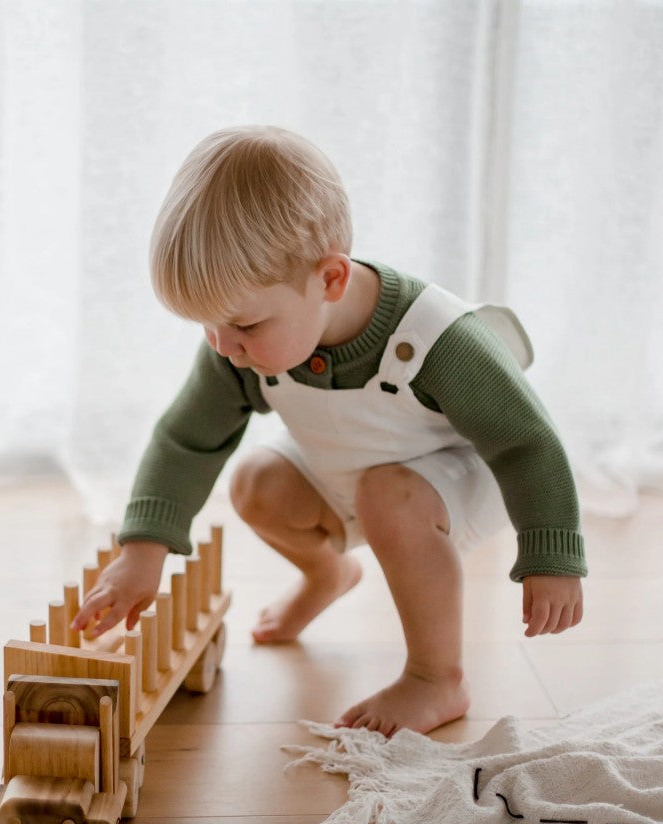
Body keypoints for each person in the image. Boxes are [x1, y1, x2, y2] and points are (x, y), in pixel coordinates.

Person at [71, 125, 586, 737]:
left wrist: (551, 551)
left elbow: (526, 440)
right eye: (208, 328)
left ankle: (436, 676)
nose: (225, 349)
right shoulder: (237, 343)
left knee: (386, 495)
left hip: (455, 482)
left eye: (243, 326)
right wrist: (143, 549)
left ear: (331, 280)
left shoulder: (440, 340)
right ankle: (328, 574)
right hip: (351, 473)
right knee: (255, 482)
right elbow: (187, 437)